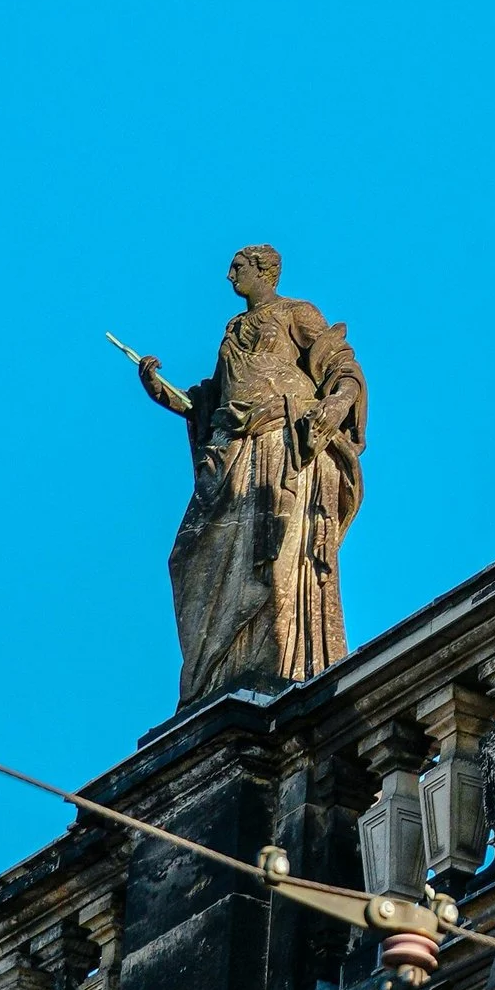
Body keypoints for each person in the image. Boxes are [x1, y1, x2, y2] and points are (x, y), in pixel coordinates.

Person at [135, 247, 366, 706]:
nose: (228, 275)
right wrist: (162, 391)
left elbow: (341, 366)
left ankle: (275, 664)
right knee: (188, 554)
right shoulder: (232, 330)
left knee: (276, 559)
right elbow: (207, 401)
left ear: (265, 271)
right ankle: (214, 678)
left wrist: (337, 404)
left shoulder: (295, 313)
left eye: (238, 267)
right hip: (231, 449)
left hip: (279, 443)